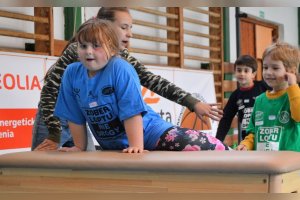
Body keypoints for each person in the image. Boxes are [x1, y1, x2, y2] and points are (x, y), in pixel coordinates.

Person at [32, 7, 223, 151]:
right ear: (103, 26)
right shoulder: (79, 51)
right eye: (123, 27)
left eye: (130, 27)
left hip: (86, 116)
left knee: (83, 162)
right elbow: (50, 90)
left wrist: (192, 102)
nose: (129, 33)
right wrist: (55, 133)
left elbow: (152, 80)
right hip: (55, 115)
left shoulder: (120, 60)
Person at [236, 42, 300, 151]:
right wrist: (246, 144)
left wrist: (293, 85)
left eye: (275, 68)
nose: (268, 72)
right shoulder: (260, 100)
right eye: (265, 67)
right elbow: (253, 132)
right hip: (264, 162)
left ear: (291, 71)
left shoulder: (295, 96)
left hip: (290, 164)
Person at [215, 55, 271, 142]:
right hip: (247, 138)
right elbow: (226, 119)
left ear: (253, 74)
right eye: (239, 70)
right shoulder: (235, 95)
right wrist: (217, 141)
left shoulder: (263, 87)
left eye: (246, 71)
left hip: (267, 134)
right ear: (235, 72)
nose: (242, 73)